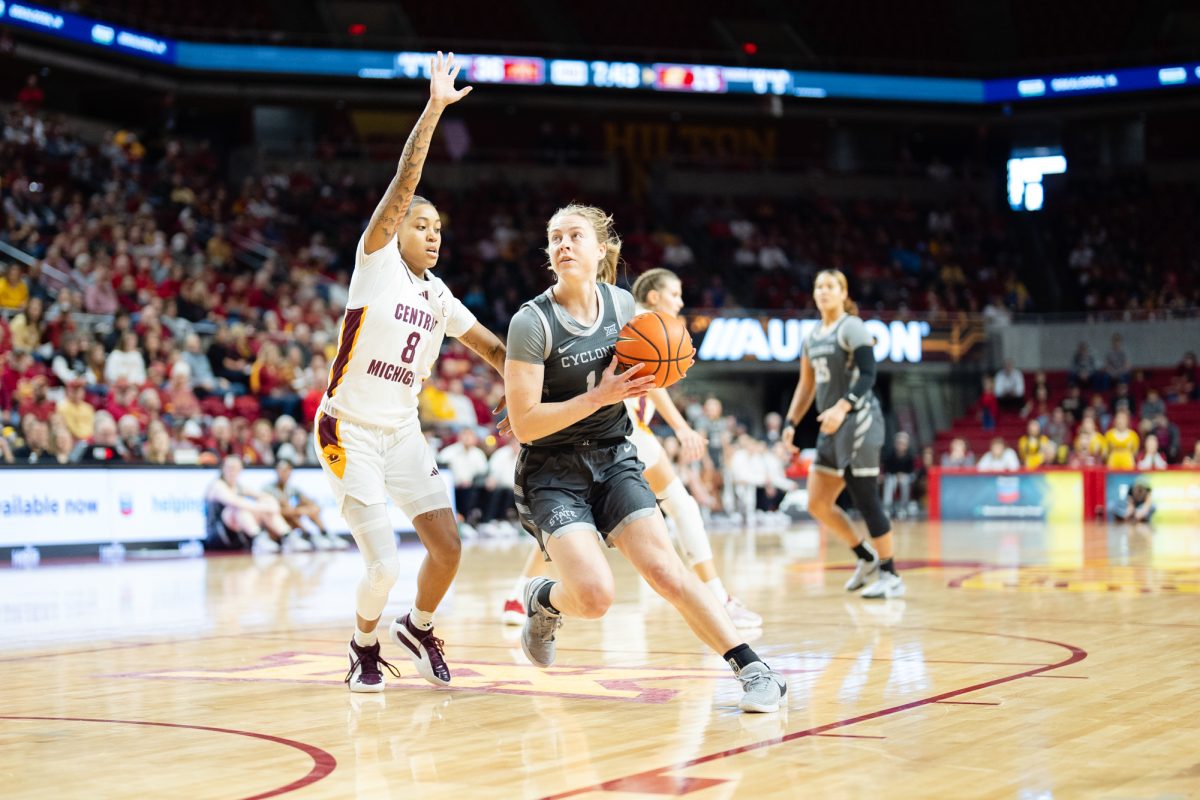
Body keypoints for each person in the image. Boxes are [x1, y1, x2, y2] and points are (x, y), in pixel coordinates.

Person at [504, 204, 785, 713]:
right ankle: (544, 600)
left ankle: (753, 669)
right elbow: (524, 424)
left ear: (601, 248)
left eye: (574, 236)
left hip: (614, 456)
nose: (563, 245)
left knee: (666, 570)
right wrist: (597, 396)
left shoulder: (624, 309)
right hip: (552, 471)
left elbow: (648, 376)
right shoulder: (531, 321)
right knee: (594, 597)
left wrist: (665, 384)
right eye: (554, 238)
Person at [314, 53, 508, 694]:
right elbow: (404, 182)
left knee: (449, 548)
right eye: (421, 224)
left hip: (400, 432)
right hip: (347, 429)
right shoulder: (376, 265)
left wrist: (541, 387)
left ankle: (419, 629)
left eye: (438, 229)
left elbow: (496, 351)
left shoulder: (438, 294)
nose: (432, 235)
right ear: (397, 231)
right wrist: (434, 109)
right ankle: (363, 645)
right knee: (384, 566)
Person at [503, 267, 762, 628]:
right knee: (682, 505)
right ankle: (719, 597)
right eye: (675, 294)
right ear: (654, 296)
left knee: (569, 529)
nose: (681, 301)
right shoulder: (634, 317)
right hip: (619, 431)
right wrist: (682, 426)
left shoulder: (616, 310)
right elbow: (648, 380)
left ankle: (519, 595)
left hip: (612, 432)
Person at [782, 269, 903, 599]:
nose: (823, 291)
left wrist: (842, 407)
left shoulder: (852, 326)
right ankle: (867, 558)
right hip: (831, 425)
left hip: (860, 420)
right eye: (819, 285)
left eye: (830, 286)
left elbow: (868, 374)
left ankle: (891, 574)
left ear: (843, 292)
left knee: (865, 498)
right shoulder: (812, 336)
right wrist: (790, 424)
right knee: (817, 503)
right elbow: (807, 385)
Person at [205, 455, 298, 553]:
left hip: (238, 534)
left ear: (241, 469)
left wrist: (272, 504)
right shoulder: (217, 485)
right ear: (223, 469)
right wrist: (266, 508)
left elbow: (263, 496)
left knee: (263, 503)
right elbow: (236, 501)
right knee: (239, 508)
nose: (232, 471)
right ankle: (259, 539)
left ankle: (288, 536)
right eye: (229, 467)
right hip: (218, 535)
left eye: (235, 468)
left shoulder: (239, 486)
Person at [266, 458, 346, 550]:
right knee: (291, 512)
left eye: (286, 470)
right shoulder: (268, 489)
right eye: (281, 470)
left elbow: (314, 505)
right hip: (276, 525)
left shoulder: (292, 488)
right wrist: (299, 511)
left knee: (305, 508)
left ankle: (325, 534)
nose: (283, 473)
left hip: (291, 518)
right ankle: (309, 536)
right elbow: (277, 511)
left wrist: (306, 509)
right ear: (276, 472)